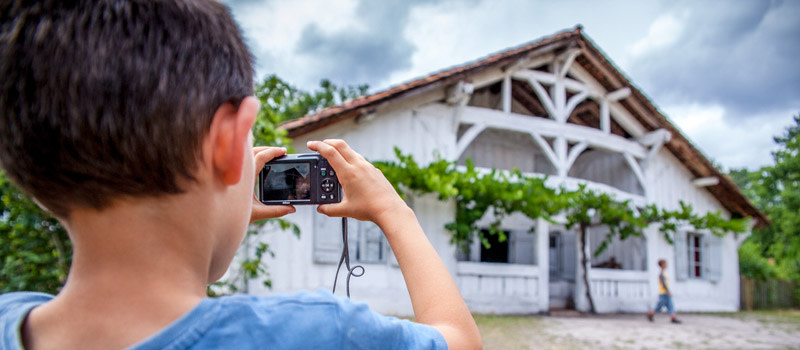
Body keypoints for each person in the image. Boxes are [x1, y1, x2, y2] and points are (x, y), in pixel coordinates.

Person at [0, 1, 482, 349]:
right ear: (231, 141)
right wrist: (393, 210)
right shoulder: (316, 333)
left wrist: (207, 224)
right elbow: (459, 341)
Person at [648, 259, 682, 324]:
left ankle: (673, 317)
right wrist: (667, 291)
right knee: (660, 306)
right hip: (663, 293)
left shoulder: (663, 273)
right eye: (665, 263)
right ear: (662, 265)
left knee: (670, 305)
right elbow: (663, 283)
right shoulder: (661, 274)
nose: (666, 265)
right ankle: (650, 313)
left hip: (664, 292)